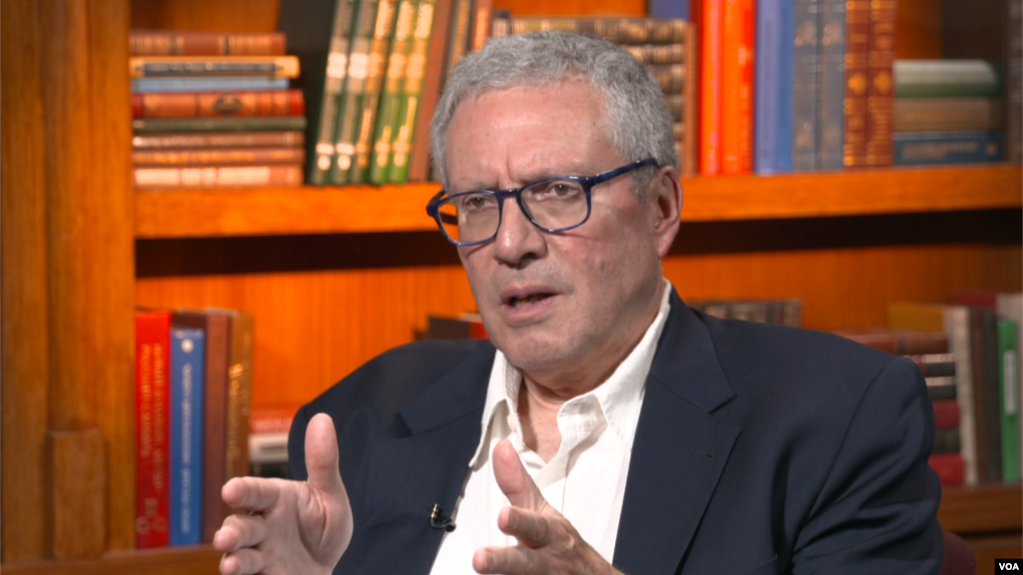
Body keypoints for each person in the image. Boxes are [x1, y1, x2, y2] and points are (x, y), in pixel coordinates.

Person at [213, 31, 943, 575]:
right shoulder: (358, 418)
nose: (510, 243)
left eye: (557, 192)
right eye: (477, 203)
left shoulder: (839, 417)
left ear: (660, 208)